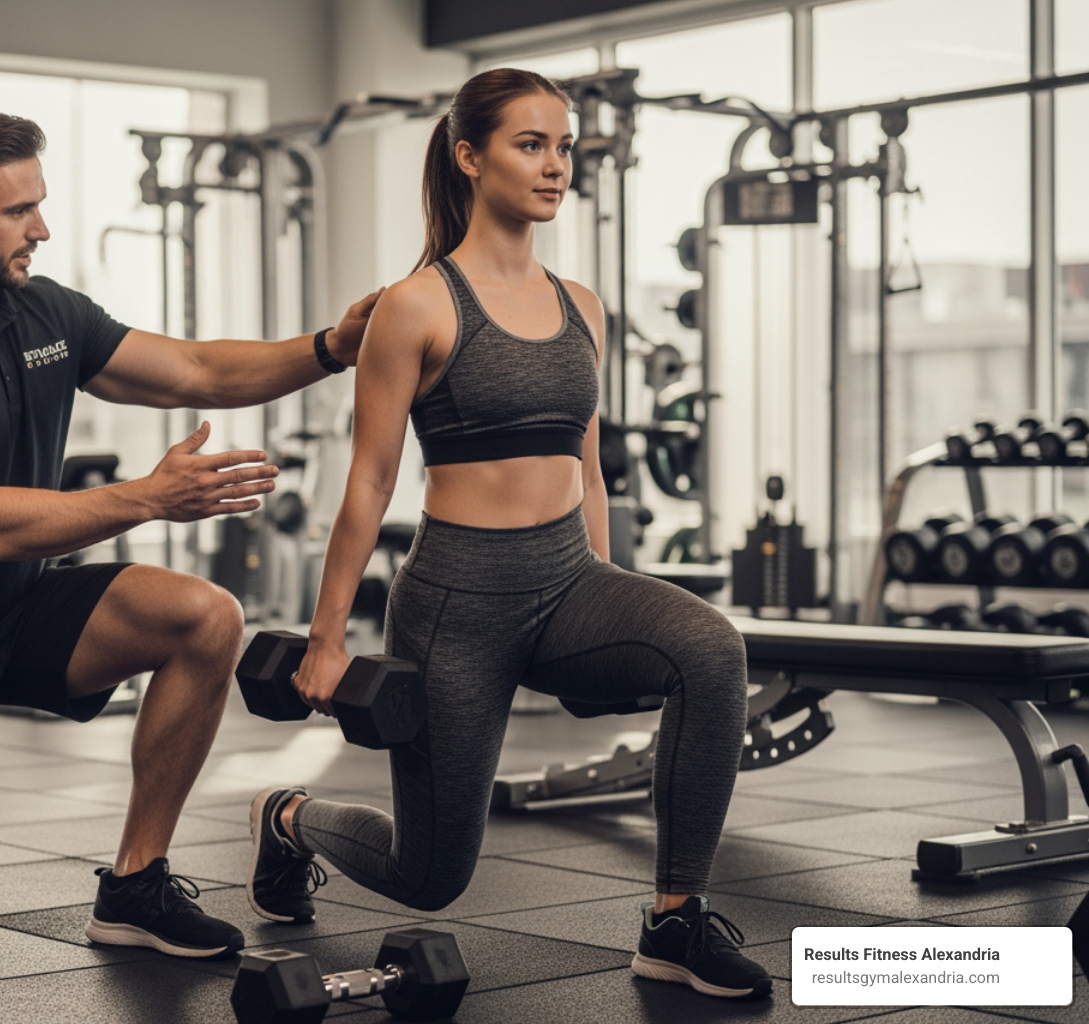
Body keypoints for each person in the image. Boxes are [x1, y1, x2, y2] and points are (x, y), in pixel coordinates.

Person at [0, 105, 379, 959]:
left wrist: (329, 348)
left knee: (207, 617)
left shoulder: (41, 313)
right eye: (19, 211)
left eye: (40, 205)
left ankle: (134, 884)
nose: (42, 229)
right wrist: (149, 497)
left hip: (18, 608)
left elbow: (194, 369)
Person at [245, 69, 772, 1000]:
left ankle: (674, 922)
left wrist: (615, 611)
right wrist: (327, 636)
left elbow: (591, 467)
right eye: (532, 145)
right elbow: (368, 480)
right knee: (429, 876)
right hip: (456, 601)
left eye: (565, 147)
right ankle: (287, 817)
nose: (556, 165)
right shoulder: (418, 305)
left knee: (710, 649)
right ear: (468, 156)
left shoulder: (585, 307)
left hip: (571, 580)